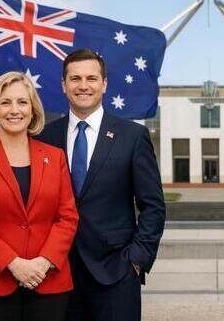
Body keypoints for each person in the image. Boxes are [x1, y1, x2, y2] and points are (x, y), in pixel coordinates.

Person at [36, 48, 166, 321]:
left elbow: (153, 205)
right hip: (56, 271)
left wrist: (137, 259)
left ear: (104, 84)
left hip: (116, 272)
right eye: (75, 78)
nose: (83, 85)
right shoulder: (44, 137)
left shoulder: (132, 136)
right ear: (63, 85)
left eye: (92, 78)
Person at [0, 71, 78, 321]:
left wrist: (43, 262)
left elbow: (68, 217)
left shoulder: (55, 157)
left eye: (22, 102)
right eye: (5, 102)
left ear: (33, 110)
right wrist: (13, 263)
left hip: (47, 281)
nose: (14, 110)